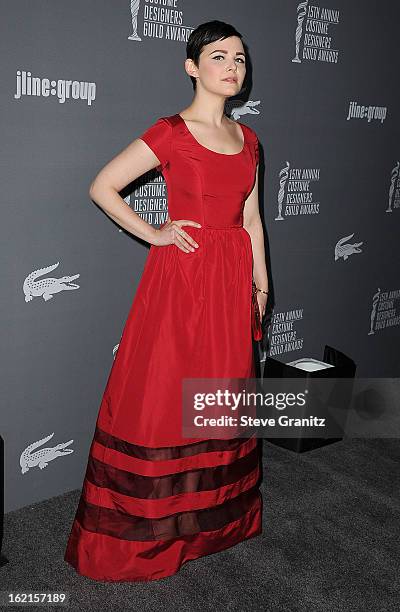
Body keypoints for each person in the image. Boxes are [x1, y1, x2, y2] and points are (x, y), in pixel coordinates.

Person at [64, 19, 269, 582]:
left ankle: (211, 525)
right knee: (162, 402)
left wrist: (262, 285)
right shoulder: (171, 132)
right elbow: (102, 185)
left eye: (240, 59)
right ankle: (147, 539)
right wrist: (153, 231)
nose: (232, 67)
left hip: (231, 284)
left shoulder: (249, 141)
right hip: (181, 281)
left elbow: (251, 220)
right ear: (192, 66)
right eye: (220, 56)